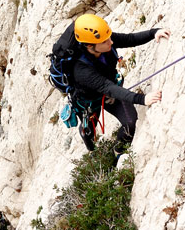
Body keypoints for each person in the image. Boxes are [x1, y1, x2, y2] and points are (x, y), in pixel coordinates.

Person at [71, 13, 170, 156]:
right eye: (105, 41)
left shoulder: (104, 40)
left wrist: (154, 33)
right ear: (89, 46)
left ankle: (118, 152)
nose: (111, 42)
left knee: (130, 123)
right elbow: (107, 87)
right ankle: (90, 146)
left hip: (111, 90)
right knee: (88, 131)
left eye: (109, 38)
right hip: (89, 101)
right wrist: (142, 99)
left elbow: (129, 39)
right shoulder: (80, 69)